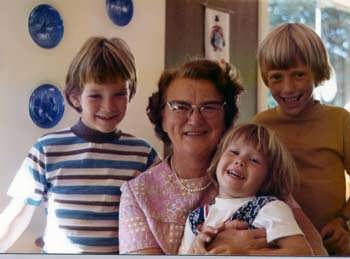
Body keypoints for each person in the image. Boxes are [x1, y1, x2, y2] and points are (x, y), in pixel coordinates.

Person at [118, 58, 326, 255]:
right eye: (180, 107)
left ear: (226, 119)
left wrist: (247, 252)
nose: (194, 119)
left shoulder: (253, 176)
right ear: (162, 117)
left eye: (209, 107)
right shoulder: (138, 195)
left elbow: (316, 252)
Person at [0, 36, 159, 253]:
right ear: (76, 97)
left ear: (130, 93)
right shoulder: (46, 150)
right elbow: (16, 216)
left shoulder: (144, 155)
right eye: (95, 95)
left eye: (119, 94)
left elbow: (160, 217)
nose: (108, 106)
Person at [253, 22, 350, 255]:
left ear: (317, 72)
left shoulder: (341, 121)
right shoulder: (258, 127)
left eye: (298, 75)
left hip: (332, 244)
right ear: (266, 79)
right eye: (276, 77)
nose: (288, 88)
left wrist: (343, 221)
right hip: (277, 246)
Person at [178, 123, 312, 255]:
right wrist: (194, 249)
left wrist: (246, 254)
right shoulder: (195, 219)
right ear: (218, 158)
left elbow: (303, 253)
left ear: (267, 178)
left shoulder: (270, 207)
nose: (240, 161)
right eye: (234, 152)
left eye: (254, 160)